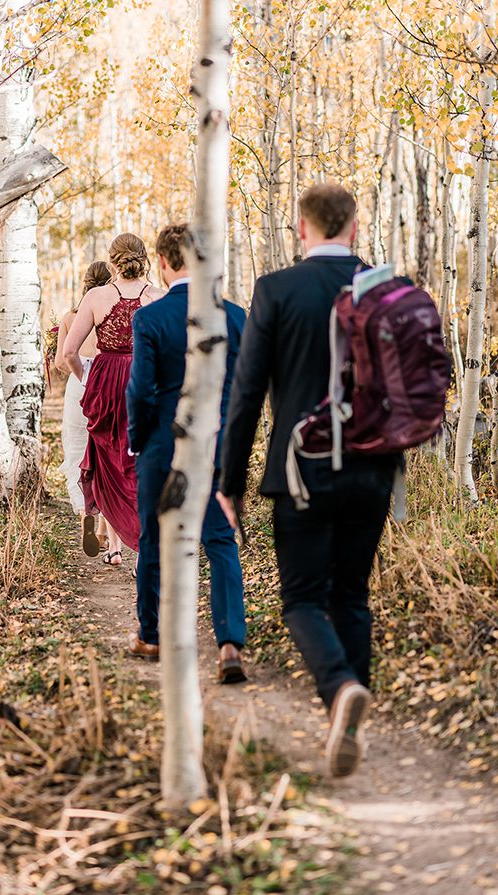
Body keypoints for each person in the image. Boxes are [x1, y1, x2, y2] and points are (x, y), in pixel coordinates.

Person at [218, 183, 393, 777]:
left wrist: (231, 482)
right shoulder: (386, 289)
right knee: (352, 595)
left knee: (302, 597)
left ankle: (341, 690)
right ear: (353, 224)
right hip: (372, 468)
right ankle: (349, 717)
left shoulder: (276, 289)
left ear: (301, 228)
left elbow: (246, 393)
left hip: (300, 470)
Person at [126, 224, 247, 683]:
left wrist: (139, 439)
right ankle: (230, 644)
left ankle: (152, 634)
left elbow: (140, 390)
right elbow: (245, 390)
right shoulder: (235, 317)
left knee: (153, 537)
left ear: (161, 262)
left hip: (162, 443)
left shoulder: (151, 320)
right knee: (220, 540)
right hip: (218, 442)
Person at [63, 234, 164, 566]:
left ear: (113, 260)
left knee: (108, 459)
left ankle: (116, 546)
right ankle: (144, 547)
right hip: (143, 379)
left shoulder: (96, 296)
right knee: (140, 461)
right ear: (143, 257)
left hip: (105, 381)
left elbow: (69, 353)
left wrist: (88, 379)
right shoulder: (157, 296)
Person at [54, 260, 112, 555]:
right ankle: (103, 530)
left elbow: (60, 362)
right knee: (104, 452)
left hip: (78, 385)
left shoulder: (70, 317)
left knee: (77, 452)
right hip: (106, 383)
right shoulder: (109, 316)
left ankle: (84, 517)